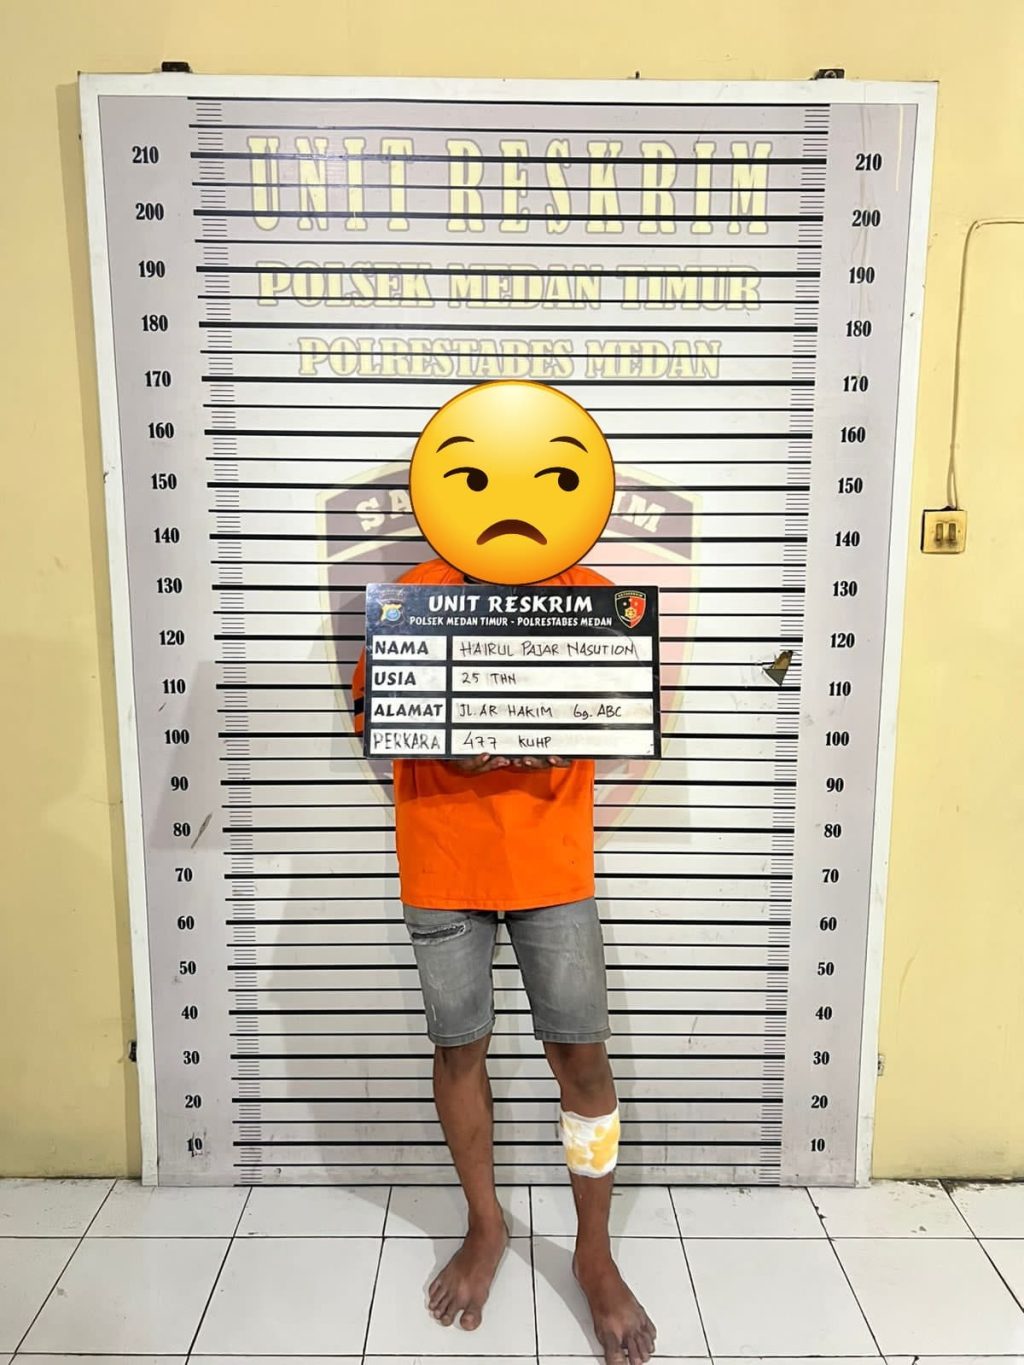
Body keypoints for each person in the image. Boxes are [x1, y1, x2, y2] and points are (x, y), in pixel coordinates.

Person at [350, 382, 657, 1365]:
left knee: (583, 1060)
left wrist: (546, 731)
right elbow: (372, 717)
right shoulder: (416, 597)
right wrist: (449, 738)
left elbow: (615, 710)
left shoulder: (592, 597)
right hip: (442, 865)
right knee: (458, 1052)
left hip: (552, 868)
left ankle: (593, 1253)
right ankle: (485, 1225)